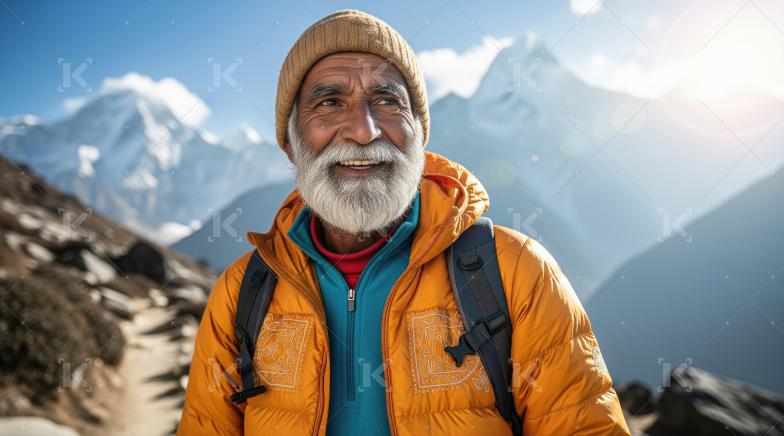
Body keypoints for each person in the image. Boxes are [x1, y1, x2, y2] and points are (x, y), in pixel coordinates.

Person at [177, 9, 630, 435]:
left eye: (387, 100)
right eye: (330, 102)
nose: (364, 130)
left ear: (418, 132)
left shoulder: (518, 273)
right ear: (291, 142)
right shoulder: (242, 294)